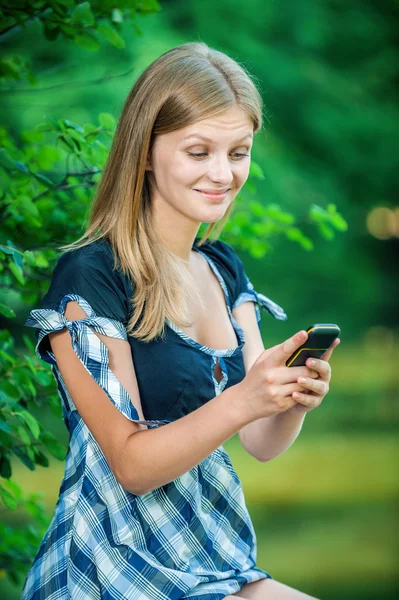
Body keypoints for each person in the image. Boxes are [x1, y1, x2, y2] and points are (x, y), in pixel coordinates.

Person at [22, 42, 339, 600]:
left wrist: (289, 399)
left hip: (215, 556)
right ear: (145, 152)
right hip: (112, 567)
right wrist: (243, 399)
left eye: (238, 152)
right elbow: (131, 466)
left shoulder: (222, 269)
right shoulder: (91, 278)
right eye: (199, 152)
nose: (224, 173)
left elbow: (261, 442)